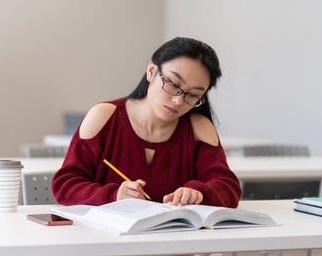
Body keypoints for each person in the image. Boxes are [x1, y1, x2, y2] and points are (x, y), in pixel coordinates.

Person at [52, 37, 241, 209]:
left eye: (193, 95)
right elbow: (65, 185)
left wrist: (199, 193)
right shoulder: (104, 117)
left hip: (174, 241)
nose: (178, 101)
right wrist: (113, 195)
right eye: (173, 84)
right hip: (106, 240)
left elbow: (228, 187)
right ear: (151, 71)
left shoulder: (198, 127)